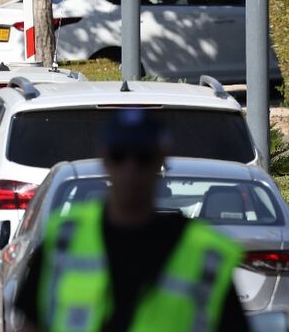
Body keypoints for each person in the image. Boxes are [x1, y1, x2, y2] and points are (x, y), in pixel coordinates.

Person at [14, 109, 249, 332]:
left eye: (143, 157)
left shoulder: (204, 252)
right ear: (104, 158)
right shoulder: (65, 239)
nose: (130, 168)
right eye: (119, 155)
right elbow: (31, 323)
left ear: (160, 160)